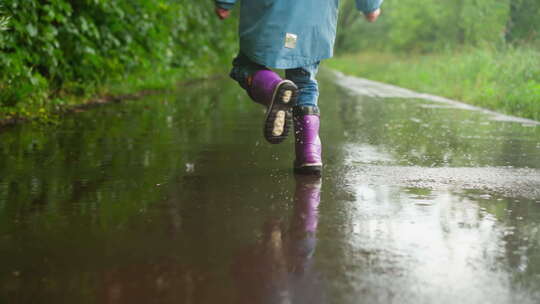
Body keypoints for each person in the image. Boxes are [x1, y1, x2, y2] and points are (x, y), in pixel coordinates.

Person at [214, 0, 383, 175]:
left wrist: (224, 3)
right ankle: (309, 154)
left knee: (244, 66)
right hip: (313, 21)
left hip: (267, 14)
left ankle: (273, 88)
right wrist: (370, 7)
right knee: (304, 82)